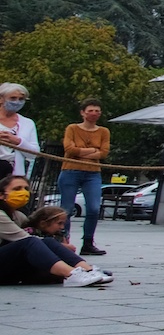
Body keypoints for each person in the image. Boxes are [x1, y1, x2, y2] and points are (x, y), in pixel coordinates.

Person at [0, 178, 109, 286]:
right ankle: (72, 274)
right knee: (30, 242)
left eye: (26, 189)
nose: (23, 192)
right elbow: (24, 239)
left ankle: (88, 270)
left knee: (47, 242)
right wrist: (60, 246)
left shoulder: (18, 215)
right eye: (17, 189)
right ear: (1, 195)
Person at [58, 99, 111, 257]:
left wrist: (81, 152)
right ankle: (63, 240)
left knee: (94, 208)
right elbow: (69, 149)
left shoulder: (104, 131)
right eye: (90, 111)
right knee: (67, 209)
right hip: (70, 171)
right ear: (83, 112)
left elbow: (104, 152)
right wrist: (92, 150)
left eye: (97, 111)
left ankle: (88, 242)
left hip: (93, 173)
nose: (94, 114)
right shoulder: (72, 128)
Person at [0, 83, 38, 181]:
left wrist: (17, 141)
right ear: (1, 99)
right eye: (13, 98)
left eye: (21, 99)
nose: (17, 102)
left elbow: (34, 154)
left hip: (14, 175)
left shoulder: (28, 123)